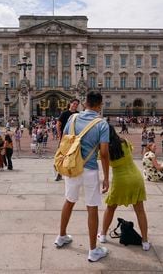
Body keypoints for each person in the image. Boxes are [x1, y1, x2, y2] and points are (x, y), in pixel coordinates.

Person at [54, 91, 110, 262]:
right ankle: (93, 250)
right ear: (100, 105)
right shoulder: (102, 124)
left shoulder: (72, 119)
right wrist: (106, 177)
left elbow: (64, 140)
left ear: (85, 103)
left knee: (69, 201)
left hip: (72, 166)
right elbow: (104, 153)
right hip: (90, 169)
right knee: (92, 207)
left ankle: (61, 236)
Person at [99, 125, 150, 251]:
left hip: (120, 180)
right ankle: (145, 241)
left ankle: (103, 235)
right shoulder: (125, 142)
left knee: (110, 208)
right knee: (140, 211)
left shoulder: (104, 150)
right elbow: (129, 152)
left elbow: (99, 158)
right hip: (136, 178)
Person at [55, 98, 80, 181]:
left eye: (77, 104)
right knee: (62, 155)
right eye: (74, 104)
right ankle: (59, 173)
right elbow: (58, 125)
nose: (75, 105)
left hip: (74, 138)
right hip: (65, 138)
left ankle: (72, 171)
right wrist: (60, 136)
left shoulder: (78, 114)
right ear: (70, 104)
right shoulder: (64, 113)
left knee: (74, 155)